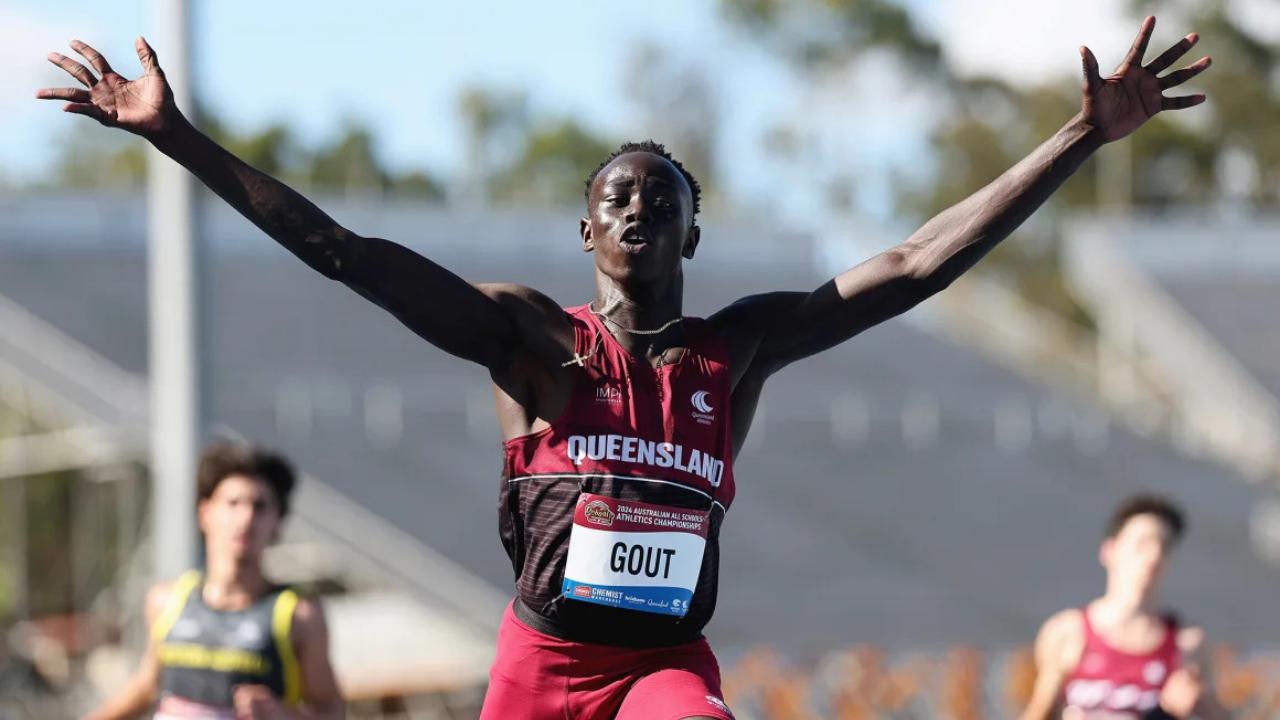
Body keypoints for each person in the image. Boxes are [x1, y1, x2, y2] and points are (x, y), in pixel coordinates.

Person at [40, 17, 1211, 719]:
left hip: (659, 664)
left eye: (663, 198)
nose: (638, 207)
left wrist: (1072, 138)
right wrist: (173, 134)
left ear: (691, 234)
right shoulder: (530, 342)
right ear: (585, 234)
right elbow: (342, 252)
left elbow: (912, 266)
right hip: (541, 661)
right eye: (615, 197)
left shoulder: (733, 348)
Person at [82, 443, 343, 720]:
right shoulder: (167, 601)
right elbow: (147, 686)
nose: (246, 518)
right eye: (233, 503)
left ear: (277, 521)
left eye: (260, 506)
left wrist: (281, 715)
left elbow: (330, 709)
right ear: (205, 513)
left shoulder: (299, 615)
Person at [1019, 494, 1229, 720]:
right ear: (1109, 551)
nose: (1154, 555)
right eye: (1143, 543)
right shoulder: (1067, 632)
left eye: (1164, 546)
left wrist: (1200, 703)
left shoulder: (1188, 644)